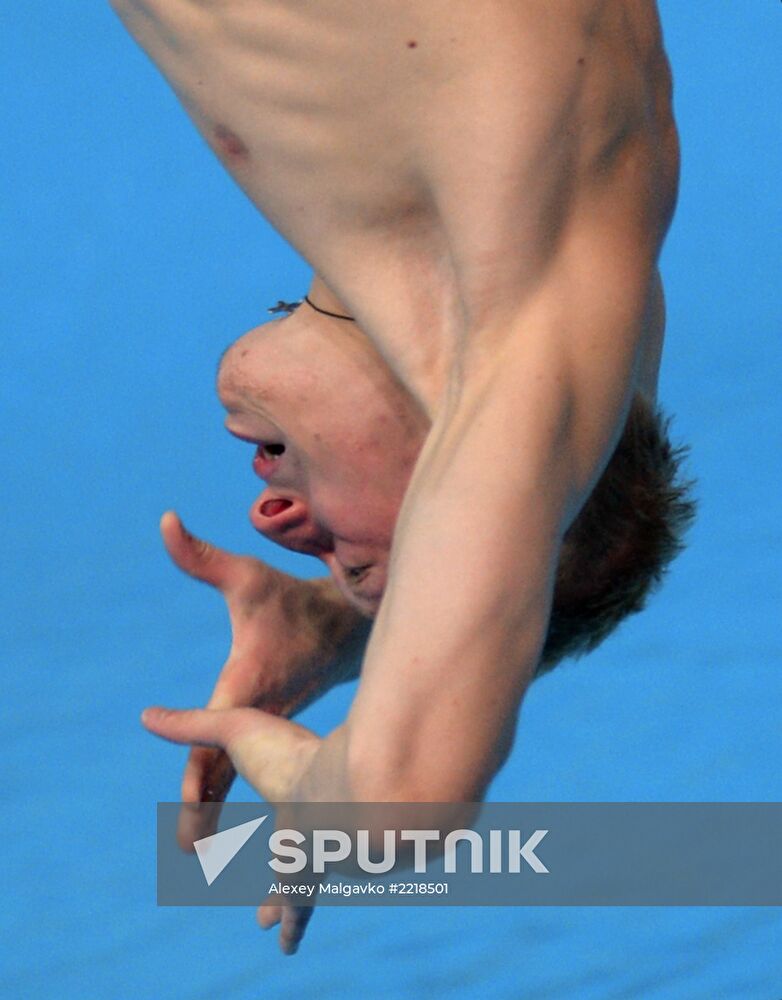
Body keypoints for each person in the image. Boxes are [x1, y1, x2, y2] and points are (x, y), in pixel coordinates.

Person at [111, 0, 695, 951]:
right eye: (356, 558)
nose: (277, 521)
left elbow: (541, 535)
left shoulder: (586, 222)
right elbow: (397, 811)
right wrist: (304, 784)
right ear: (467, 480)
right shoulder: (528, 321)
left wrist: (352, 632)